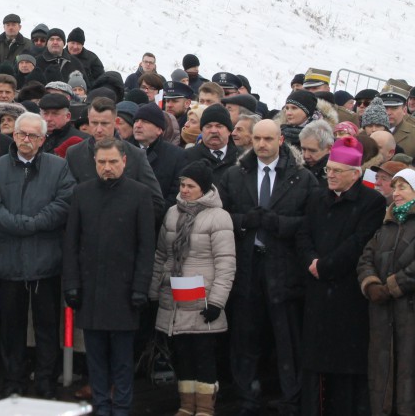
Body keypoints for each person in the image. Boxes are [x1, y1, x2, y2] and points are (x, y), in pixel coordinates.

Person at [219, 119, 319, 415]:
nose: (261, 145)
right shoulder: (236, 175)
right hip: (247, 265)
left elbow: (312, 222)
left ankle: (291, 399)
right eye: (257, 139)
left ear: (280, 141)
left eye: (268, 139)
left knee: (287, 338)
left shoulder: (301, 178)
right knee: (244, 337)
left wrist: (280, 224)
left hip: (284, 267)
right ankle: (246, 397)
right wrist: (243, 221)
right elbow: (219, 216)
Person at [63, 138, 156, 416]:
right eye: (102, 162)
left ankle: (122, 408)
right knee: (96, 358)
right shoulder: (82, 193)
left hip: (125, 290)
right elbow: (71, 244)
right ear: (94, 162)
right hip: (90, 290)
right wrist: (72, 284)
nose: (107, 167)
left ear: (124, 162)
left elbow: (146, 246)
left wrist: (141, 287)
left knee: (122, 359)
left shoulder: (140, 194)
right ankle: (102, 406)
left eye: (113, 162)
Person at [0, 112, 74, 400]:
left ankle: (46, 381)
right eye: (22, 134)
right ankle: (13, 380)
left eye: (33, 136)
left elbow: (63, 204)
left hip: (46, 263)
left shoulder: (59, 168)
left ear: (43, 139)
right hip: (10, 262)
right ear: (14, 135)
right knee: (11, 328)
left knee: (47, 328)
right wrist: (18, 225)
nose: (26, 140)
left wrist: (32, 224)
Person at [297, 135, 383, 416]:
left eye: (337, 171)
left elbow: (359, 243)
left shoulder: (371, 203)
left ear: (355, 174)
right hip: (317, 291)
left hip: (346, 294)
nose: (330, 175)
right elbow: (304, 233)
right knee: (315, 368)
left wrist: (325, 266)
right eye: (328, 169)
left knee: (344, 371)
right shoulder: (317, 197)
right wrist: (311, 260)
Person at [149, 160, 235, 416]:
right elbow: (161, 255)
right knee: (182, 354)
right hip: (175, 295)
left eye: (190, 186)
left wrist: (218, 301)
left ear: (204, 188)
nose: (184, 190)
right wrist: (154, 291)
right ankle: (186, 406)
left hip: (203, 298)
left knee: (204, 354)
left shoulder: (219, 217)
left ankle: (205, 408)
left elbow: (226, 263)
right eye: (182, 185)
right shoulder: (173, 212)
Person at [357, 168, 415, 416]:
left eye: (403, 187)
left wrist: (391, 287)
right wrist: (371, 285)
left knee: (408, 373)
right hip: (382, 316)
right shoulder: (386, 224)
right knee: (382, 374)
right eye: (395, 186)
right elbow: (365, 258)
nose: (397, 192)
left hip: (408, 313)